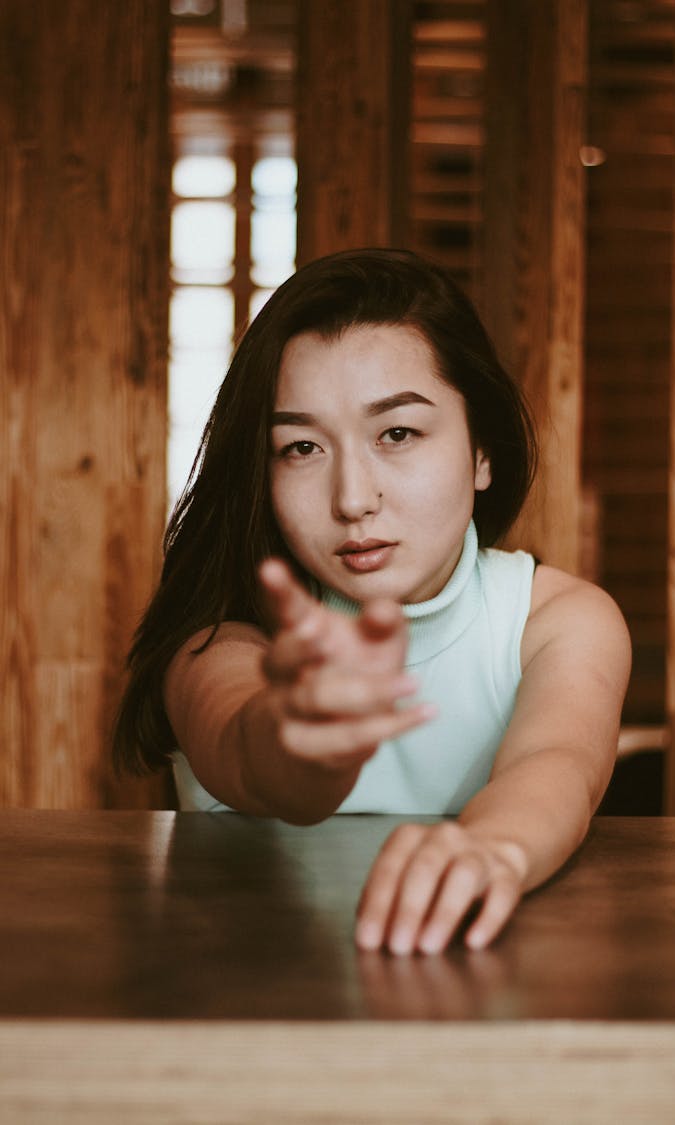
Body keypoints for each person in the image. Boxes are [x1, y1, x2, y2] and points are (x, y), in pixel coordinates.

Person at [114, 247, 631, 956]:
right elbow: (249, 746)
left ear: (482, 450)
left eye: (397, 433)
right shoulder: (223, 635)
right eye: (301, 448)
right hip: (250, 1026)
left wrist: (494, 849)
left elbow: (558, 761)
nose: (353, 498)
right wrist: (299, 733)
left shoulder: (557, 622)